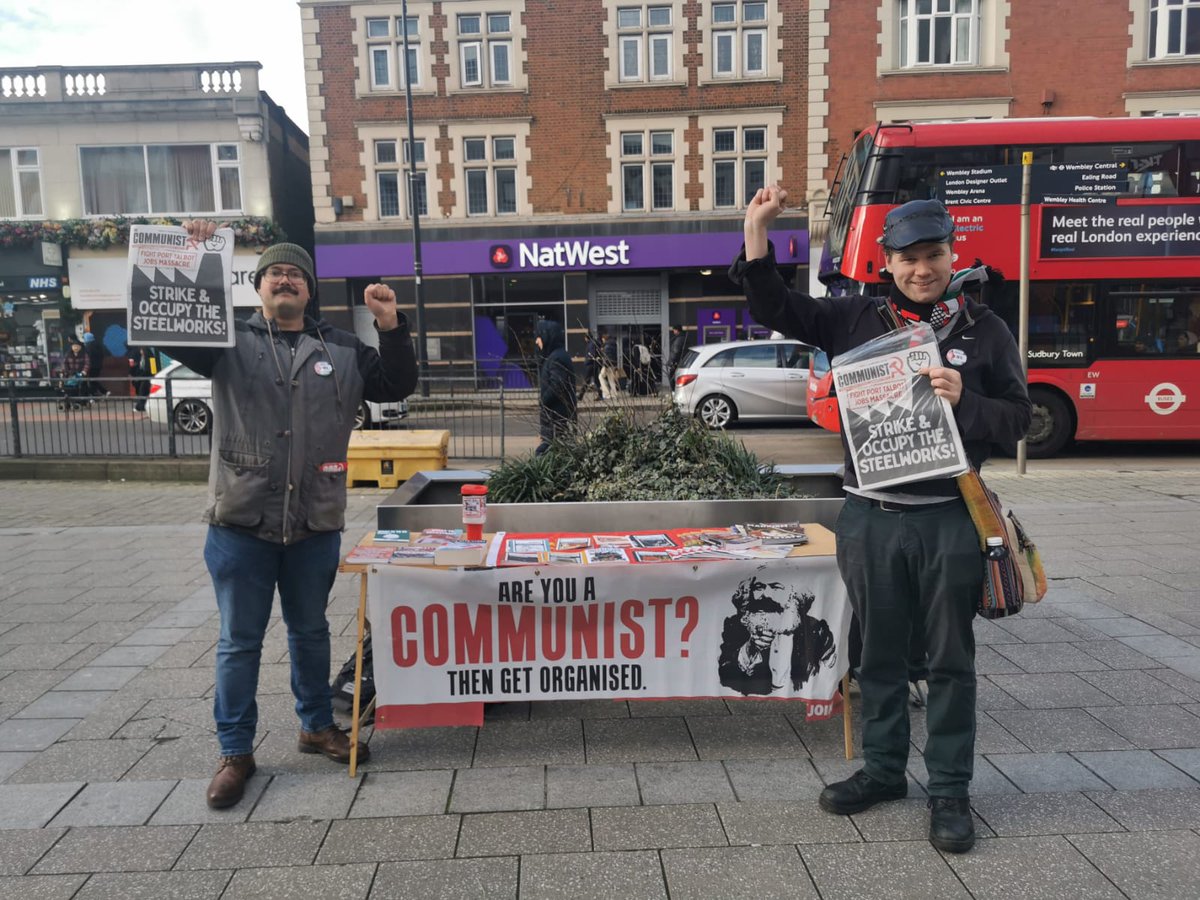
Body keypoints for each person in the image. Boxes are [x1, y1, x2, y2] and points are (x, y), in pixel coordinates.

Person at [731, 191, 1031, 854]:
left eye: (933, 255)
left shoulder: (984, 332)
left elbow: (1020, 418)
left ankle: (950, 789)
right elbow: (777, 309)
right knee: (877, 656)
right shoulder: (856, 319)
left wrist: (968, 401)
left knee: (951, 661)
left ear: (953, 256)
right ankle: (886, 771)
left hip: (949, 518)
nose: (922, 269)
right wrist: (757, 231)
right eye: (908, 258)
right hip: (870, 518)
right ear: (887, 261)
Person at [170, 221, 418, 810]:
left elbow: (396, 382)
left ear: (310, 290)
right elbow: (171, 328)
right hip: (241, 523)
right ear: (258, 287)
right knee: (239, 642)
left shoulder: (341, 348)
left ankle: (314, 726)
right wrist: (191, 252)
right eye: (275, 273)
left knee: (310, 632)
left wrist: (389, 324)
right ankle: (235, 751)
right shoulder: (227, 341)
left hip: (313, 522)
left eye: (296, 274)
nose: (285, 280)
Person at [534, 318, 577, 455]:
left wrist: (543, 401)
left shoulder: (557, 358)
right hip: (554, 419)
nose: (536, 341)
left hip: (556, 418)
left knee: (543, 454)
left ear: (547, 337)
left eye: (539, 337)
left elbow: (558, 385)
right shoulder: (553, 356)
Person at [579, 332, 603, 400]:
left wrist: (589, 359)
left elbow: (592, 354)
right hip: (594, 364)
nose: (585, 339)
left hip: (590, 365)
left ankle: (580, 396)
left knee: (587, 380)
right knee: (596, 381)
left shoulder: (591, 344)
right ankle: (600, 395)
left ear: (587, 337)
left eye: (585, 338)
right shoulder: (593, 343)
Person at [82, 332, 107, 398]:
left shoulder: (88, 346)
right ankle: (98, 393)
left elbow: (88, 357)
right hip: (98, 365)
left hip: (91, 366)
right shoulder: (98, 345)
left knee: (91, 381)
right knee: (93, 380)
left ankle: (100, 393)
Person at [599, 332, 621, 400]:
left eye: (602, 339)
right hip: (613, 364)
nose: (602, 340)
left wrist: (605, 365)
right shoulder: (613, 345)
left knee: (600, 377)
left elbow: (607, 357)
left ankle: (606, 394)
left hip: (607, 365)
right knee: (611, 380)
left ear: (605, 338)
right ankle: (614, 394)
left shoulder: (607, 346)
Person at [132, 347, 154, 412]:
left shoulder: (150, 358)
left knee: (142, 391)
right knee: (143, 392)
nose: (140, 351)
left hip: (147, 378)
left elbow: (150, 370)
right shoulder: (142, 358)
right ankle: (142, 406)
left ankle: (139, 407)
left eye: (141, 350)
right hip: (143, 377)